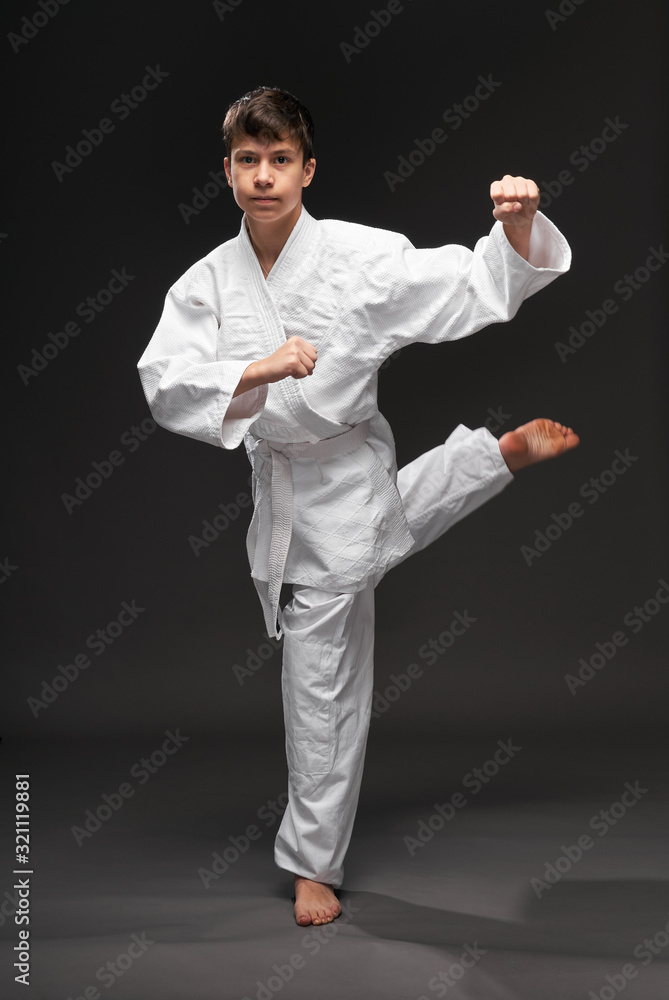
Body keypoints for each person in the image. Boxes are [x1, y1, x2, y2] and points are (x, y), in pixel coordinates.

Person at [136, 85, 579, 928]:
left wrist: (515, 230)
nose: (263, 177)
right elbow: (163, 383)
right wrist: (258, 371)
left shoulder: (354, 257)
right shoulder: (207, 283)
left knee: (319, 684)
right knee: (377, 538)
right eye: (246, 161)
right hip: (282, 484)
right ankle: (489, 457)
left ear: (307, 169)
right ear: (226, 172)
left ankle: (311, 862)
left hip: (347, 459)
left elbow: (463, 283)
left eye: (279, 160)